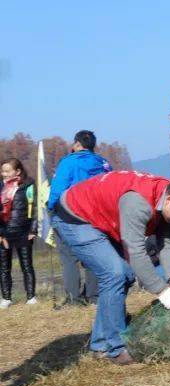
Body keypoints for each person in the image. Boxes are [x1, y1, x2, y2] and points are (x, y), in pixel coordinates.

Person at [51, 171, 170, 364]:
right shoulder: (138, 203)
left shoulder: (168, 196)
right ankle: (116, 348)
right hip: (74, 217)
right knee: (115, 274)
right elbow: (135, 252)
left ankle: (100, 344)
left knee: (124, 275)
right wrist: (162, 291)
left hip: (101, 218)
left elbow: (167, 242)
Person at [48, 130, 112, 307]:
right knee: (92, 254)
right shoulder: (103, 163)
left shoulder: (68, 162)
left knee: (69, 257)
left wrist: (51, 206)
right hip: (96, 215)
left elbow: (58, 188)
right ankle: (94, 296)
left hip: (70, 214)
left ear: (77, 144)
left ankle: (73, 298)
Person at [1, 159, 37, 307]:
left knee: (27, 265)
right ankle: (6, 298)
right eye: (3, 171)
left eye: (7, 171)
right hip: (4, 232)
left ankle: (31, 297)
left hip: (24, 231)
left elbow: (34, 208)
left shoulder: (28, 186)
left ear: (17, 171)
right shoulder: (1, 188)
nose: (4, 174)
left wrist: (33, 230)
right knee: (4, 267)